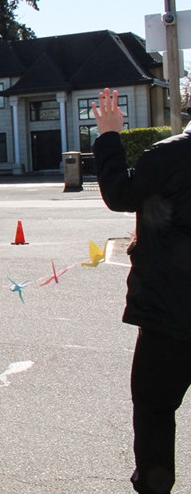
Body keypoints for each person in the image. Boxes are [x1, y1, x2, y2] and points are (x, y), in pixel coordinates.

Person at [92, 88, 191, 494]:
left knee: (153, 409)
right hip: (168, 305)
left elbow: (120, 194)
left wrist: (110, 136)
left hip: (169, 309)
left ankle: (155, 483)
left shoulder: (168, 155)